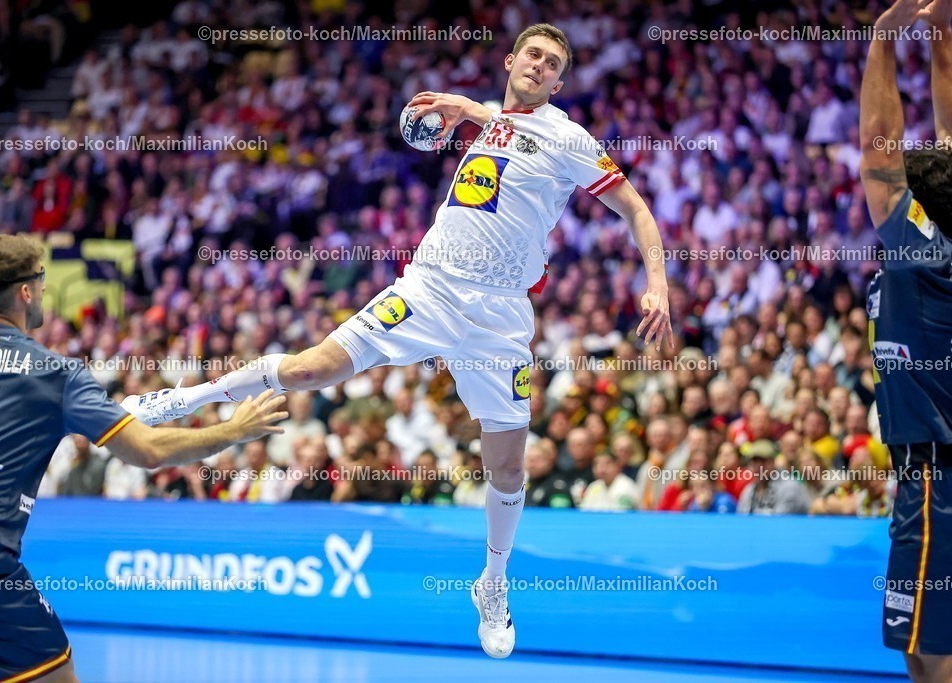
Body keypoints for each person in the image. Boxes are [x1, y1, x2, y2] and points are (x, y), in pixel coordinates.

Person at [122, 23, 673, 659]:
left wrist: (657, 283)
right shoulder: (487, 118)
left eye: (554, 63)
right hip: (430, 288)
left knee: (507, 466)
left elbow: (637, 209)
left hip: (499, 318)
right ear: (511, 60)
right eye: (533, 55)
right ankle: (181, 400)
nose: (541, 66)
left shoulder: (567, 136)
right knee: (310, 368)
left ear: (558, 82)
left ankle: (493, 583)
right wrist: (464, 110)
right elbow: (495, 122)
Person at [0, 235, 288, 683]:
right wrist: (234, 431)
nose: (45, 288)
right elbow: (148, 450)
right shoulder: (56, 373)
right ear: (25, 291)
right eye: (42, 278)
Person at [861, 1, 952, 679]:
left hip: (939, 481)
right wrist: (941, 37)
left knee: (935, 663)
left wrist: (882, 41)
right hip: (945, 470)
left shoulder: (916, 252)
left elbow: (879, 139)